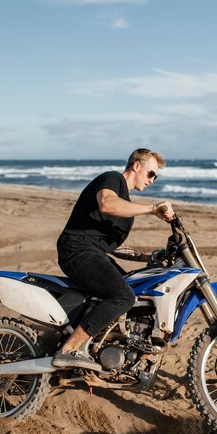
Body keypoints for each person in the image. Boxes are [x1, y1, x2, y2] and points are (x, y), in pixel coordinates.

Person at [52, 148, 174, 369]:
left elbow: (115, 247)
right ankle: (68, 350)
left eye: (155, 177)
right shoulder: (112, 179)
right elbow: (106, 204)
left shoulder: (125, 203)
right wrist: (152, 208)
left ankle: (100, 346)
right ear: (136, 166)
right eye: (151, 174)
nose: (152, 181)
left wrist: (149, 257)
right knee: (123, 297)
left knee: (132, 288)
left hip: (92, 252)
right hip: (76, 250)